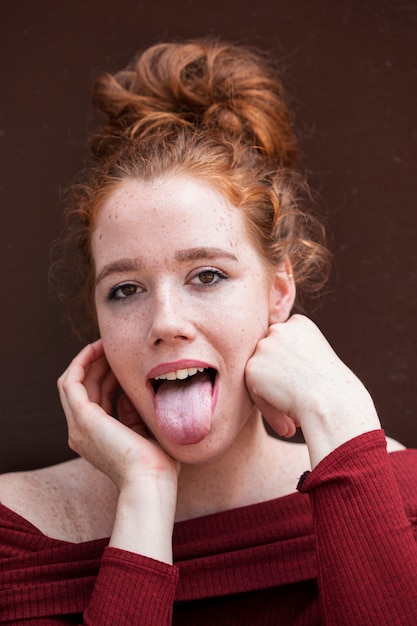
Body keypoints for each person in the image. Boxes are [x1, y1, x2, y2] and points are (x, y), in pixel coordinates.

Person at [1, 38, 417, 626]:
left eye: (207, 275)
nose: (166, 322)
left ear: (277, 292)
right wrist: (144, 497)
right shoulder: (14, 538)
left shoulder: (397, 498)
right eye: (125, 289)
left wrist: (340, 415)